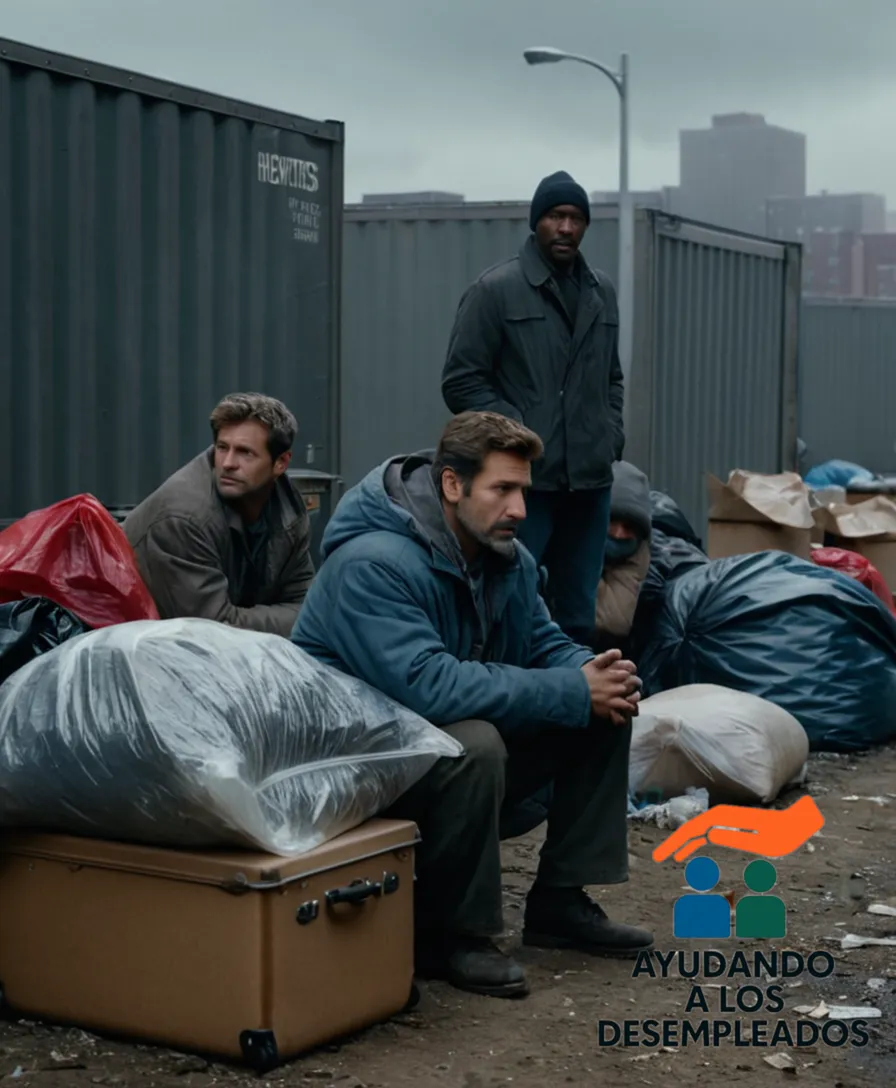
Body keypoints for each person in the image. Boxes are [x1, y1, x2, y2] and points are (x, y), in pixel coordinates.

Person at [292, 410, 653, 999]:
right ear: (452, 485)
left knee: (603, 708)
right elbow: (428, 686)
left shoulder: (504, 557)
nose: (519, 509)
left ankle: (560, 902)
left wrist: (595, 674)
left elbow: (542, 642)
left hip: (427, 754)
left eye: (523, 491)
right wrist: (570, 689)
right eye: (502, 490)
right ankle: (451, 936)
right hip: (353, 769)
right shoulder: (372, 564)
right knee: (475, 742)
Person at [441, 170, 625, 648]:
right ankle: (512, 686)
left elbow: (612, 378)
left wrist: (609, 436)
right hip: (526, 485)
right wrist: (517, 435)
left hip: (589, 483)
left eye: (576, 218)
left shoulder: (601, 292)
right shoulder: (495, 290)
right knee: (513, 601)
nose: (566, 227)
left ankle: (576, 689)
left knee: (579, 612)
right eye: (555, 216)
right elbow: (461, 381)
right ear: (536, 222)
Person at [123, 392, 314, 637]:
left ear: (281, 463)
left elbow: (307, 603)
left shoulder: (287, 508)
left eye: (245, 452)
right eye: (222, 448)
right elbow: (212, 629)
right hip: (134, 648)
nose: (227, 463)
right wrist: (297, 618)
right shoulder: (184, 517)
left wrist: (303, 617)